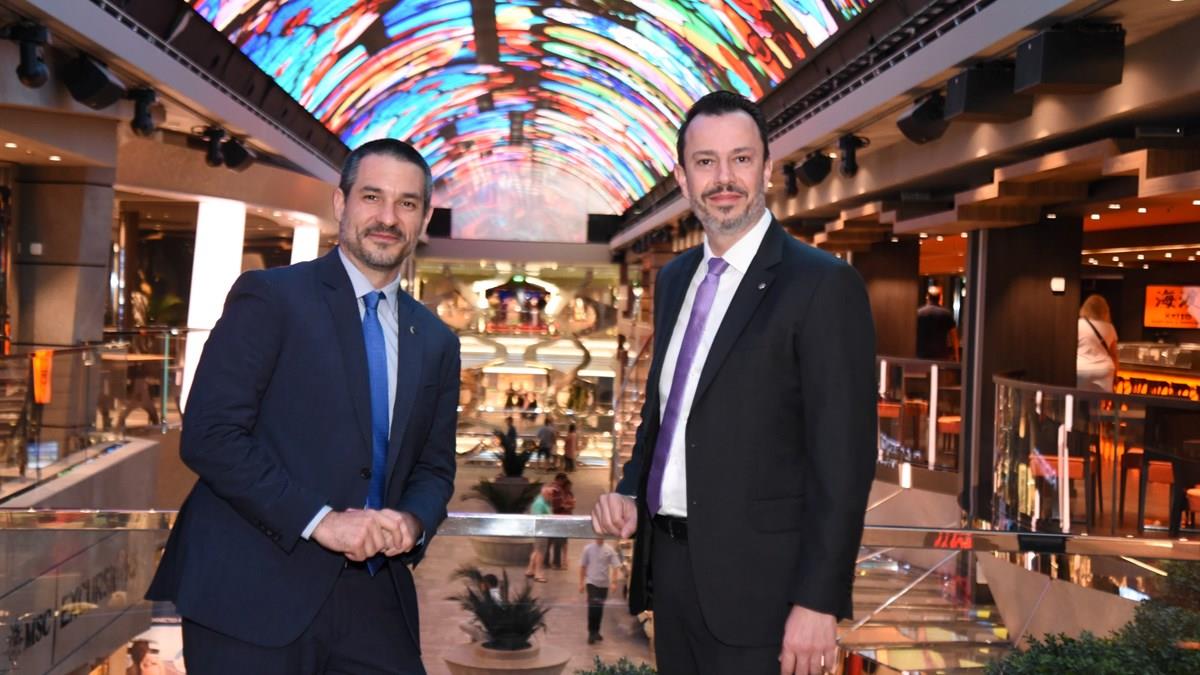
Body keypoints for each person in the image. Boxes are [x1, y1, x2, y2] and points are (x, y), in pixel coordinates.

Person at [147, 139, 460, 674]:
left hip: (374, 598)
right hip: (250, 592)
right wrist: (321, 521)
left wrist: (412, 521)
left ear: (424, 219)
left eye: (407, 203)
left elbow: (434, 467)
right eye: (372, 197)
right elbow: (210, 434)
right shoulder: (270, 297)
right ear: (341, 203)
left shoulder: (436, 340)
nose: (388, 218)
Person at [590, 91, 877, 675]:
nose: (724, 178)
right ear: (683, 178)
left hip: (763, 594)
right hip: (670, 577)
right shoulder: (675, 279)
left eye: (741, 159)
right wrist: (629, 489)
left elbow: (844, 461)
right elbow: (665, 414)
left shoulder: (822, 285)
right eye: (706, 162)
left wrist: (819, 600)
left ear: (767, 168)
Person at [579, 537, 622, 644]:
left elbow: (616, 566)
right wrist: (581, 582)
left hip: (604, 584)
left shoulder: (609, 549)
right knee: (593, 607)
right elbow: (583, 566)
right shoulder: (588, 549)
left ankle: (596, 631)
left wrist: (614, 582)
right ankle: (591, 632)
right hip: (591, 582)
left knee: (599, 608)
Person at [1077, 293, 1119, 392]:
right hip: (1104, 371)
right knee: (1101, 400)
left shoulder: (1078, 324)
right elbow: (1114, 354)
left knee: (1080, 399)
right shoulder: (1110, 327)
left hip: (1081, 369)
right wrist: (1116, 374)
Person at [916, 286, 959, 360]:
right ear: (940, 298)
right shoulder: (946, 314)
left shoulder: (919, 313)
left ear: (927, 297)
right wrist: (956, 355)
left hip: (922, 354)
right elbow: (953, 336)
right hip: (940, 355)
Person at [525, 484, 554, 583]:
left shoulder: (545, 502)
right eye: (550, 494)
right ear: (545, 493)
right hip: (540, 531)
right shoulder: (539, 503)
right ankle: (538, 573)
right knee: (540, 552)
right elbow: (537, 518)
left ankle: (530, 570)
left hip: (543, 530)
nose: (552, 496)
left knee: (537, 550)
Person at [548, 472, 576, 570]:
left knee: (557, 541)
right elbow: (557, 505)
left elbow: (570, 504)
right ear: (560, 480)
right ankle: (557, 563)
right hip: (559, 519)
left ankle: (556, 562)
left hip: (561, 518)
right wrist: (565, 506)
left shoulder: (562, 491)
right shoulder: (556, 490)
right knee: (558, 541)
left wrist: (567, 505)